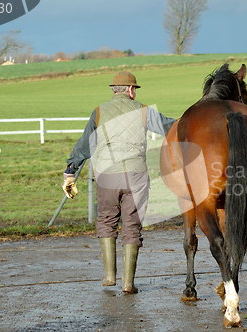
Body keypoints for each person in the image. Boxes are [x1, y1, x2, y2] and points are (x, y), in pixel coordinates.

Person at [62, 71, 176, 293]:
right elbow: (170, 127)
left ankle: (109, 276)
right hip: (136, 175)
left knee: (106, 220)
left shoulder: (98, 112)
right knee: (132, 225)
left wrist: (70, 171)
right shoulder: (143, 111)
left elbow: (83, 146)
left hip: (106, 176)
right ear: (131, 90)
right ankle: (128, 283)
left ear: (114, 90)